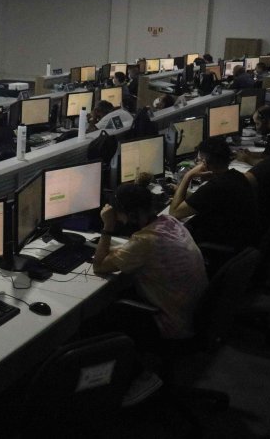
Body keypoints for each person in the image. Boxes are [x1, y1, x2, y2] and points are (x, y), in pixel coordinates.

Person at [93, 183, 208, 343]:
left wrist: (108, 226)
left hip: (172, 325)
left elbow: (99, 266)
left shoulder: (145, 241)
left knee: (96, 316)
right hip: (193, 314)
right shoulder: (170, 221)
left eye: (117, 214)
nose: (117, 218)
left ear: (131, 215)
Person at [170, 138, 257, 248]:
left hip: (220, 248)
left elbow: (174, 212)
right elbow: (204, 200)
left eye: (198, 161)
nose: (196, 165)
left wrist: (188, 176)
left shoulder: (215, 187)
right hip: (242, 242)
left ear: (204, 163)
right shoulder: (237, 176)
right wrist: (181, 191)